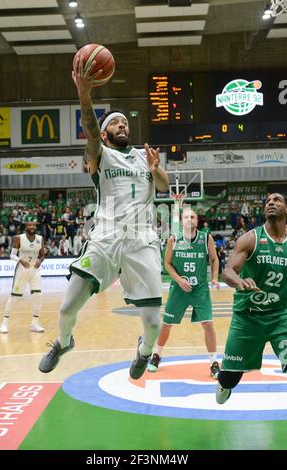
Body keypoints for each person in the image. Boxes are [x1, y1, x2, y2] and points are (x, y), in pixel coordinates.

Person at [38, 52, 169, 377]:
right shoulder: (102, 155)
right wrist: (85, 93)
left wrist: (156, 169)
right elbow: (91, 132)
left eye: (124, 122)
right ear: (107, 132)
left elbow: (164, 187)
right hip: (105, 239)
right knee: (68, 307)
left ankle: (144, 350)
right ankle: (63, 342)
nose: (121, 125)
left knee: (153, 325)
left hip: (142, 241)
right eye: (114, 123)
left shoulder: (143, 156)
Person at [216, 193, 287, 404]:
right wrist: (238, 281)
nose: (271, 203)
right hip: (248, 317)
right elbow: (227, 271)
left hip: (281, 316)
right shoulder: (250, 238)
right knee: (229, 379)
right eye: (268, 202)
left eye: (277, 200)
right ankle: (224, 384)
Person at [148, 208, 221, 378]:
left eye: (193, 217)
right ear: (182, 221)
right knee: (167, 324)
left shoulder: (205, 238)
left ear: (197, 220)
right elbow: (167, 264)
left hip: (200, 288)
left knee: (208, 324)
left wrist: (215, 277)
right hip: (179, 289)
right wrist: (179, 280)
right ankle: (157, 355)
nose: (189, 219)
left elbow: (214, 259)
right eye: (186, 217)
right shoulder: (174, 239)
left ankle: (214, 363)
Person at [0, 221, 45, 334]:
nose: (32, 227)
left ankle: (35, 323)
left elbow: (42, 255)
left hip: (35, 270)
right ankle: (4, 323)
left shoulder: (40, 238)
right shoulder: (18, 238)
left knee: (38, 295)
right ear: (26, 227)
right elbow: (12, 255)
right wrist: (20, 260)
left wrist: (40, 261)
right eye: (30, 225)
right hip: (22, 269)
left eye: (34, 225)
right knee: (15, 297)